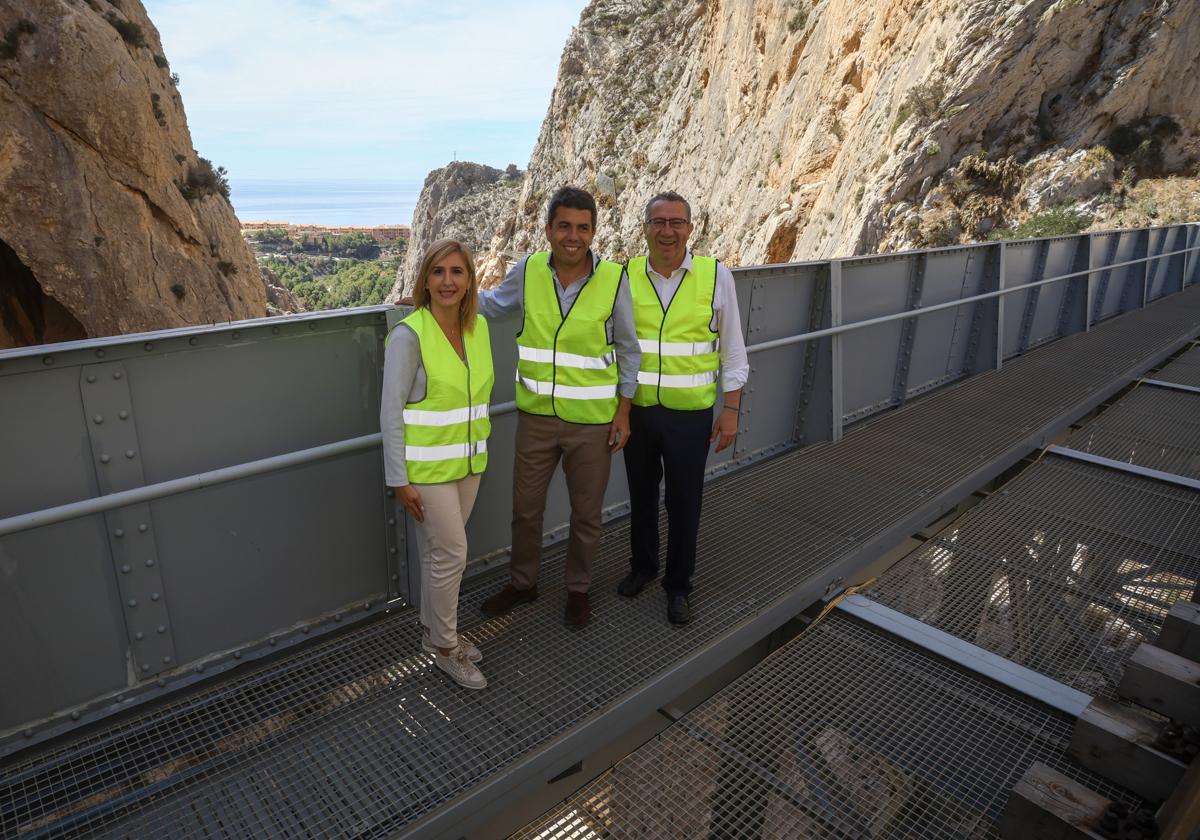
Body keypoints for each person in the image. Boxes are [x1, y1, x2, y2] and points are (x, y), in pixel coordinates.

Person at [477, 186, 641, 627]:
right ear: (548, 229)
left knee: (586, 515)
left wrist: (623, 412)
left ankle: (578, 589)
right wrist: (432, 299)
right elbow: (490, 305)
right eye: (564, 226)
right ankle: (523, 584)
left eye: (582, 228)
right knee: (526, 509)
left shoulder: (613, 279)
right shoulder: (528, 270)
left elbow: (629, 349)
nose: (573, 236)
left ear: (592, 232)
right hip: (536, 419)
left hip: (592, 422)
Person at [617, 191, 748, 624]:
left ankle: (678, 586)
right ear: (646, 229)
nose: (668, 231)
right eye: (659, 222)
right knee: (640, 496)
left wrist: (731, 409)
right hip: (638, 412)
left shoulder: (716, 276)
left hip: (690, 416)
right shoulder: (625, 276)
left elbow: (733, 350)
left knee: (684, 501)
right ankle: (643, 567)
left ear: (690, 229)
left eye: (676, 222)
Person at [381, 239, 494, 690]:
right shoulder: (409, 336)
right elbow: (390, 413)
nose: (448, 281)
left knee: (437, 554)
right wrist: (398, 479)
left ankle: (433, 634)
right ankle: (447, 648)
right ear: (424, 279)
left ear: (469, 281)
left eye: (457, 272)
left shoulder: (478, 329)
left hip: (468, 462)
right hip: (425, 472)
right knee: (453, 553)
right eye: (438, 272)